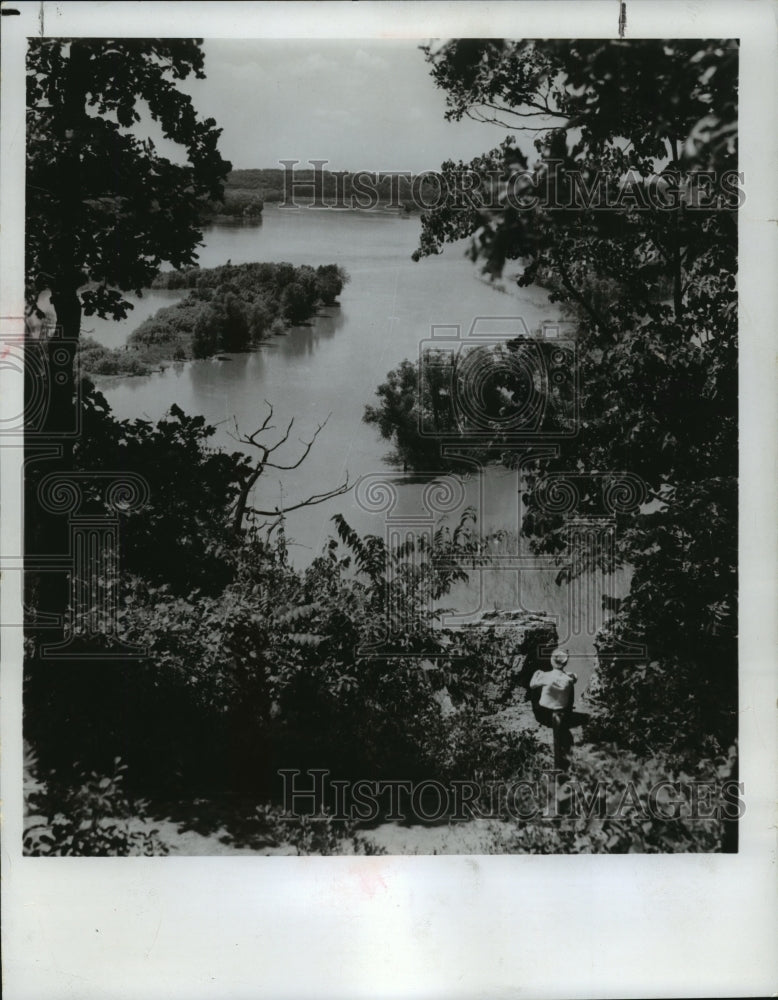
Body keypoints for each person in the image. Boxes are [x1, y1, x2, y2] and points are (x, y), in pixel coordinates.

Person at [529, 648, 577, 770]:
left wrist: (536, 674)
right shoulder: (569, 679)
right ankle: (568, 709)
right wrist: (567, 675)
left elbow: (532, 684)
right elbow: (574, 677)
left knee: (536, 689)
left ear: (552, 661)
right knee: (569, 689)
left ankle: (542, 706)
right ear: (565, 663)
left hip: (544, 715)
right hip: (562, 714)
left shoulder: (544, 676)